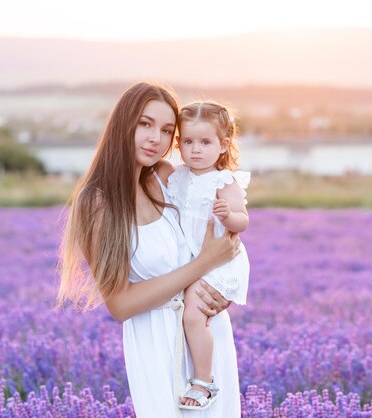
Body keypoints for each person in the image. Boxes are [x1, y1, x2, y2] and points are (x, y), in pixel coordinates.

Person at [57, 82, 242, 418]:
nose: (155, 138)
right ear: (123, 125)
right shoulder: (97, 202)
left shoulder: (167, 177)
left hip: (206, 332)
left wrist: (221, 286)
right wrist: (203, 264)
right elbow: (120, 304)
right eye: (145, 124)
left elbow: (223, 235)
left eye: (167, 130)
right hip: (155, 339)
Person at [167, 101, 250, 410]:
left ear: (223, 144)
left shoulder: (223, 181)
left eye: (205, 142)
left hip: (220, 262)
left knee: (193, 314)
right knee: (187, 313)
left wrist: (228, 215)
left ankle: (205, 381)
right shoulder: (178, 176)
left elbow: (243, 221)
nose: (196, 150)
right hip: (196, 261)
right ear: (178, 144)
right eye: (187, 142)